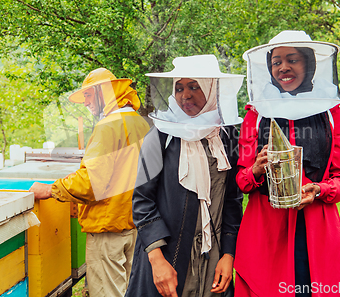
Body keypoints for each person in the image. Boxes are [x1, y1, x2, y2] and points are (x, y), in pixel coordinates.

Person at [234, 30, 340, 297]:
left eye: (293, 60)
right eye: (276, 62)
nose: (283, 68)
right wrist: (255, 169)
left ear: (309, 64)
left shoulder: (332, 114)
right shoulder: (255, 115)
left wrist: (319, 190)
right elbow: (241, 179)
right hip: (266, 230)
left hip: (316, 229)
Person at [125, 55, 244, 297]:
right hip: (169, 259)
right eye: (179, 88)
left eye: (194, 86)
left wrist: (228, 254)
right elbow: (142, 201)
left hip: (213, 260)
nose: (184, 95)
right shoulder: (160, 136)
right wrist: (156, 259)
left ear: (212, 90)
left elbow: (232, 200)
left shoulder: (226, 137)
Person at [30, 68, 150, 297]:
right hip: (133, 226)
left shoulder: (108, 127)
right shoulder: (138, 122)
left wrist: (49, 189)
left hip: (107, 231)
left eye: (88, 95)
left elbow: (90, 182)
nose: (85, 102)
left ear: (102, 92)